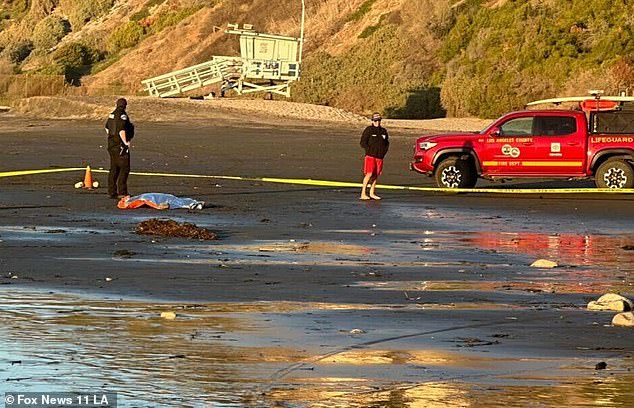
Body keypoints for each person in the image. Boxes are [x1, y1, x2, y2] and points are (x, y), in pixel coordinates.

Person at [104, 98, 134, 199]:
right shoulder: (122, 115)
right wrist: (125, 142)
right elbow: (121, 129)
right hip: (120, 146)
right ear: (125, 105)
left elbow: (107, 128)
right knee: (124, 169)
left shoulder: (111, 114)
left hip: (111, 145)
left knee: (114, 169)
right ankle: (122, 192)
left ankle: (111, 191)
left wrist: (112, 138)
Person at [359, 112, 389, 200]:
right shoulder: (369, 130)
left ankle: (372, 193)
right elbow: (363, 142)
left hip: (380, 156)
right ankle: (363, 193)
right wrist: (369, 150)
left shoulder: (383, 131)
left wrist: (383, 152)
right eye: (375, 120)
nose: (377, 122)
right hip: (370, 156)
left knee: (376, 175)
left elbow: (387, 143)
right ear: (372, 121)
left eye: (379, 120)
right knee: (369, 173)